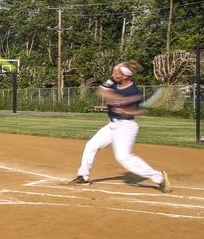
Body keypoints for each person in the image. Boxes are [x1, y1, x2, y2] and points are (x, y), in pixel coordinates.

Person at [70, 60, 171, 193]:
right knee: (91, 145)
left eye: (117, 73)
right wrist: (115, 97)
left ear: (125, 76)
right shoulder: (114, 81)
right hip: (112, 125)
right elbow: (100, 91)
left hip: (126, 127)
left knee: (123, 157)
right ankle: (83, 176)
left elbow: (132, 112)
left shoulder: (132, 91)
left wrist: (126, 110)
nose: (113, 74)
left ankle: (159, 178)